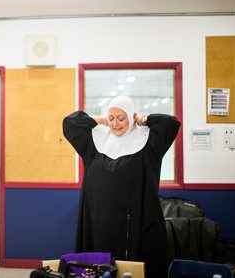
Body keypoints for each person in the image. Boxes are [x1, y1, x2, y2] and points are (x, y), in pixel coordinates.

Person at [62, 95, 180, 278]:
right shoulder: (95, 142)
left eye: (121, 118)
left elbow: (170, 123)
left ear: (130, 117)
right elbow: (70, 123)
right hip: (100, 221)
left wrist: (141, 120)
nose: (115, 124)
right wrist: (102, 120)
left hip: (137, 220)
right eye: (111, 118)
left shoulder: (149, 143)